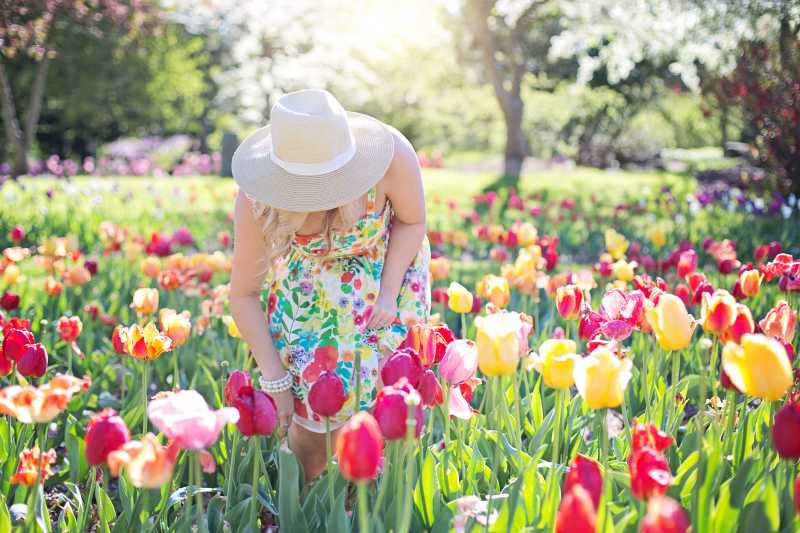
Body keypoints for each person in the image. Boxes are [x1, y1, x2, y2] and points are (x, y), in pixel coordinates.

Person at [229, 89, 431, 481]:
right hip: (307, 291)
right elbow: (243, 293)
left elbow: (412, 221)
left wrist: (389, 290)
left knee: (386, 409)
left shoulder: (390, 158)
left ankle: (377, 505)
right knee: (312, 419)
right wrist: (275, 378)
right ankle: (312, 506)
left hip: (385, 272)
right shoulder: (259, 200)